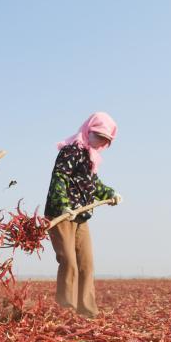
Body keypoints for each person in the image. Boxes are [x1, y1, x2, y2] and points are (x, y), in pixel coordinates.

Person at [44, 112, 122, 318]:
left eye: (105, 139)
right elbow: (59, 177)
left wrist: (110, 193)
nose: (101, 141)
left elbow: (92, 185)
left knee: (86, 264)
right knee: (68, 260)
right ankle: (65, 309)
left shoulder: (90, 156)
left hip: (81, 217)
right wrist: (63, 206)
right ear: (89, 131)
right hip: (61, 215)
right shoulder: (72, 150)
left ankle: (86, 311)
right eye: (99, 136)